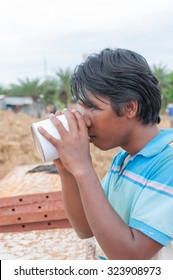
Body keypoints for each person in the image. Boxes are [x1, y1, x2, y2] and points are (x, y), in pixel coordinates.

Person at [38, 48, 173, 260]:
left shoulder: (168, 162)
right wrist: (67, 170)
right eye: (81, 108)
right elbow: (86, 228)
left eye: (93, 108)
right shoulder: (124, 159)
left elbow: (129, 259)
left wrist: (83, 169)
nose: (85, 119)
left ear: (129, 108)